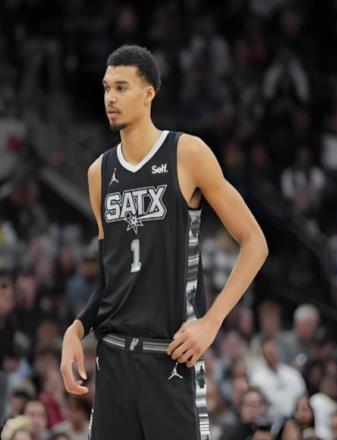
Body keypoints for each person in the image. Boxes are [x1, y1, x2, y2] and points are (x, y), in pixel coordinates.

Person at [60, 44, 268, 440]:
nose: (110, 98)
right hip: (113, 361)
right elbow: (111, 277)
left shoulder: (187, 152)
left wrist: (212, 321)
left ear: (148, 93)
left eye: (121, 87)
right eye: (106, 88)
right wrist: (75, 329)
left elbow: (254, 242)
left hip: (170, 359)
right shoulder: (98, 172)